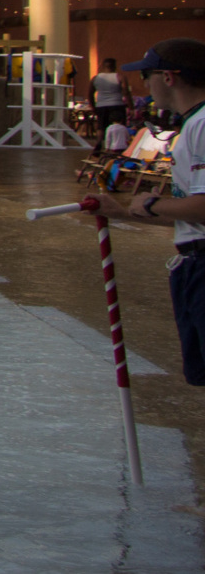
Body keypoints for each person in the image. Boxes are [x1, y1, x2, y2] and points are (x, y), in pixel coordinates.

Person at [89, 38, 205, 387]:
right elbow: (193, 211)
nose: (144, 86)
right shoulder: (192, 125)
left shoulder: (201, 126)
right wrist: (127, 212)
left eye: (146, 77)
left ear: (168, 78)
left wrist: (153, 204)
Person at [90, 56, 128, 132]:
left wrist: (93, 107)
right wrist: (131, 106)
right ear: (114, 66)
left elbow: (90, 94)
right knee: (119, 126)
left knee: (101, 126)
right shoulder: (120, 77)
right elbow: (126, 92)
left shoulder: (95, 78)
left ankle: (99, 142)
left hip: (101, 105)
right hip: (116, 104)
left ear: (103, 66)